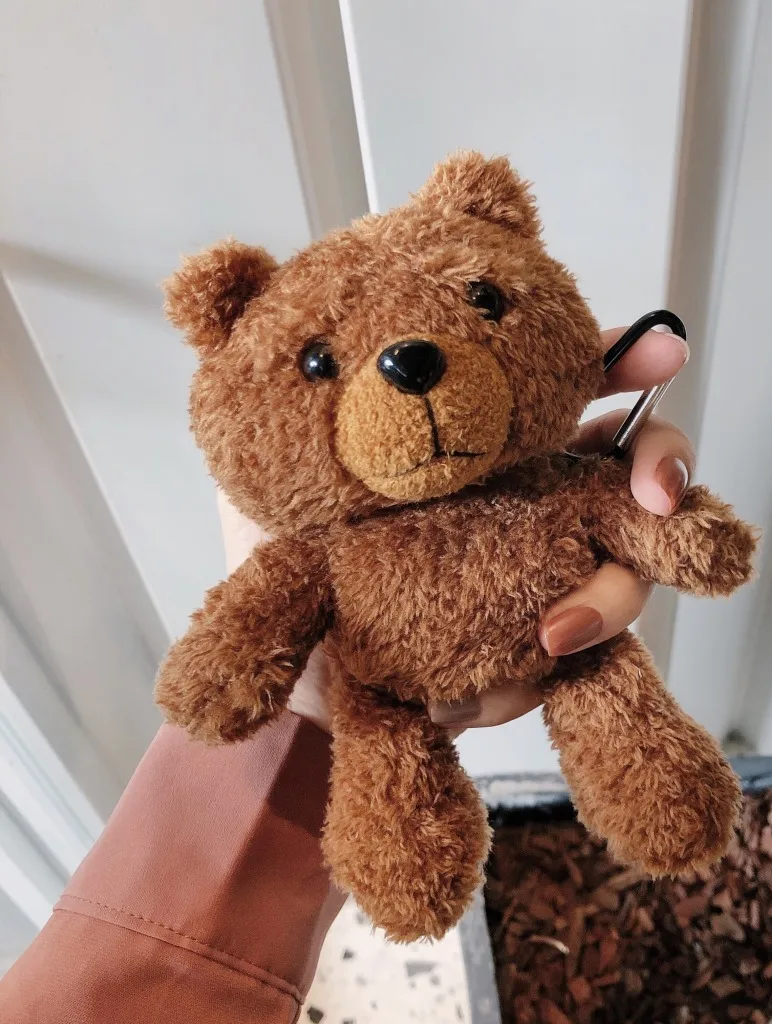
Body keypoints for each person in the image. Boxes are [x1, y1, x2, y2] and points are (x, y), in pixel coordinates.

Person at [0, 328, 695, 1024]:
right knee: (388, 759)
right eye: (319, 362)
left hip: (544, 638)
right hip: (376, 687)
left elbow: (668, 533)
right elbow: (252, 625)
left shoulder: (552, 483)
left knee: (599, 670)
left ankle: (657, 794)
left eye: (484, 303)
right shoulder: (319, 549)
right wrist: (263, 684)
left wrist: (672, 527)